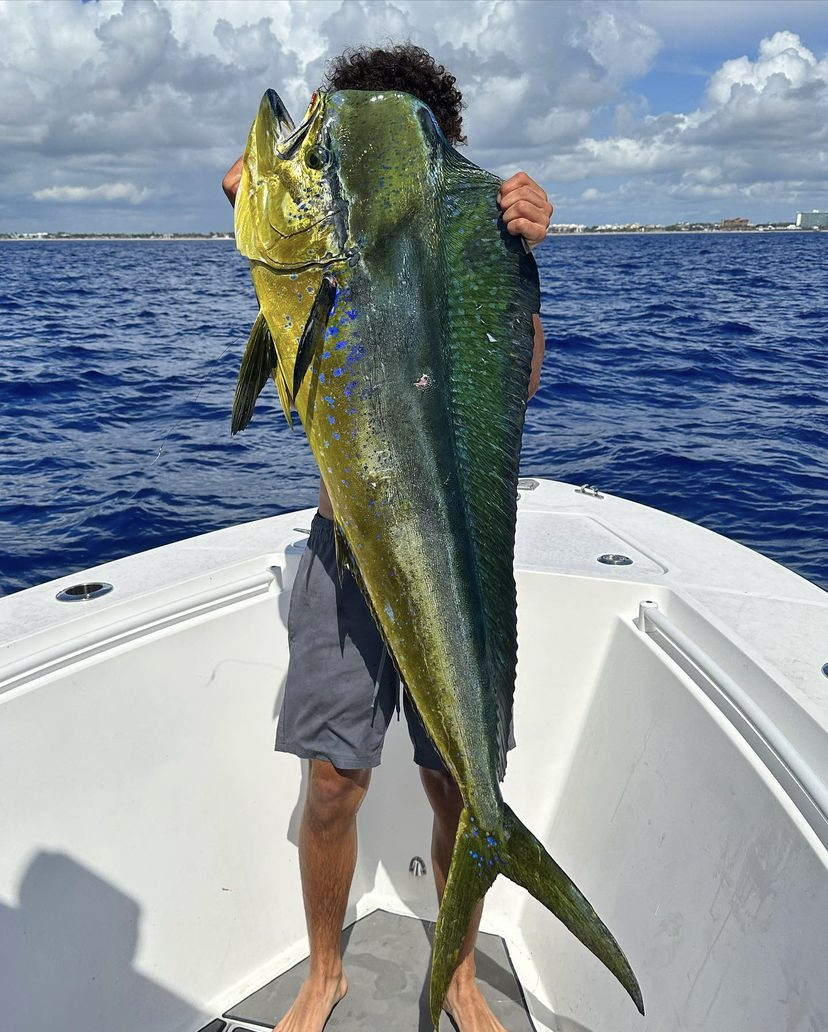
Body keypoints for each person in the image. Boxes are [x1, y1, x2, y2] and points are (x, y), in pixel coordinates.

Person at [223, 43, 553, 1032]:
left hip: (450, 560)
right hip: (341, 551)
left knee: (460, 784)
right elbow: (246, 183)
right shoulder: (327, 231)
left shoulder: (458, 240)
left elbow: (525, 380)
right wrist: (308, 136)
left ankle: (458, 976)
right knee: (333, 787)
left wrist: (518, 253)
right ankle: (324, 973)